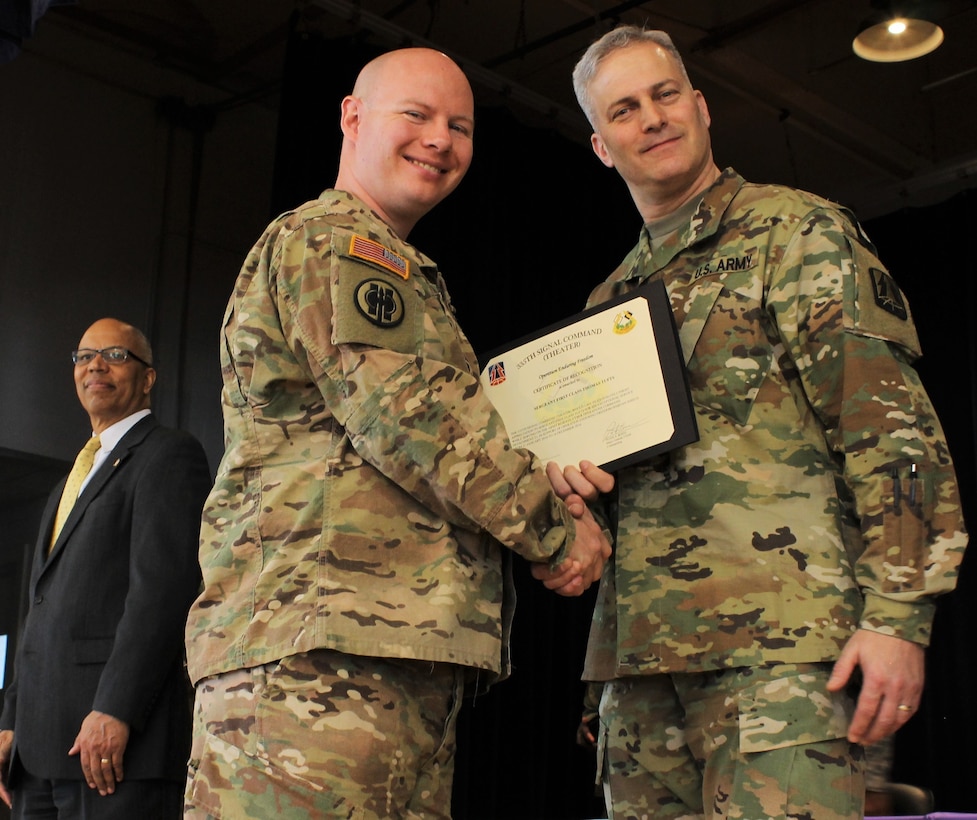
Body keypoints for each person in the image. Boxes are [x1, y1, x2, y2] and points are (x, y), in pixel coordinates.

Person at [538, 25, 969, 820]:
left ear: (700, 107)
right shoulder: (607, 304)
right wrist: (565, 496)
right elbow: (611, 494)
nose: (653, 117)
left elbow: (891, 432)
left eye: (666, 94)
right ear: (602, 146)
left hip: (786, 660)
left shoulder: (797, 232)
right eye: (625, 109)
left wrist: (898, 617)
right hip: (637, 678)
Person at [183, 47, 611, 820]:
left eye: (459, 126)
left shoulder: (397, 265)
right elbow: (410, 416)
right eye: (415, 115)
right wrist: (554, 529)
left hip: (382, 656)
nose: (439, 140)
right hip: (315, 662)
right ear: (352, 118)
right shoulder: (339, 243)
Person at [0, 317, 211, 818]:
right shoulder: (67, 483)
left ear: (149, 377)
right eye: (84, 356)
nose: (95, 365)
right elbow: (37, 613)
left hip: (114, 751)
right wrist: (10, 721)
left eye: (115, 355)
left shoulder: (168, 454)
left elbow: (163, 594)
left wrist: (116, 707)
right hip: (36, 755)